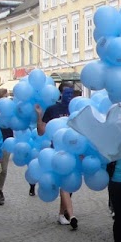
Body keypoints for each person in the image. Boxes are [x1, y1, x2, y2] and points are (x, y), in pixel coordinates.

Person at [37, 83, 78, 229]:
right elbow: (41, 131)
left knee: (71, 183)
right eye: (67, 93)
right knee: (64, 183)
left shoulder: (76, 107)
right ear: (60, 93)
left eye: (72, 93)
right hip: (57, 150)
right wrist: (39, 115)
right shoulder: (52, 109)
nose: (70, 96)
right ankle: (72, 215)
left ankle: (62, 214)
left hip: (75, 150)